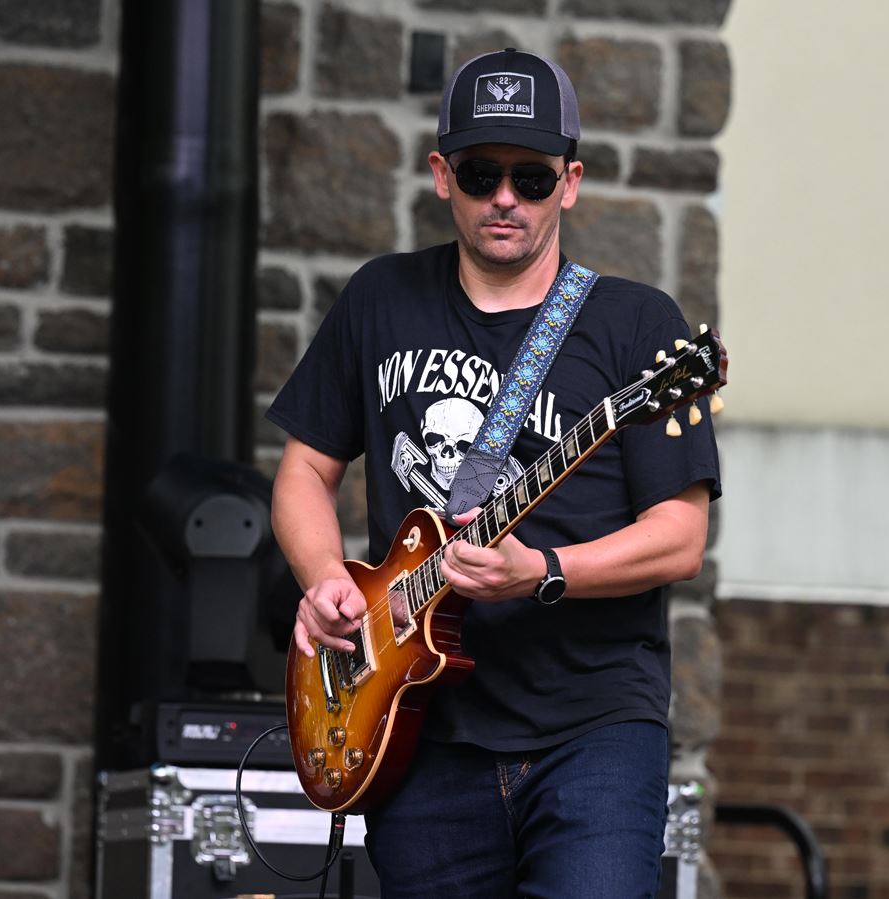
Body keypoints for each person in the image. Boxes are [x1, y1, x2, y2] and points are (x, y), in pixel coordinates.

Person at [266, 47, 721, 898]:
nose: (505, 196)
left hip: (592, 732)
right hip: (417, 727)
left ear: (571, 181)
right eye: (480, 173)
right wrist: (327, 578)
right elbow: (302, 469)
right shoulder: (380, 298)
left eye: (532, 177)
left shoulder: (637, 328)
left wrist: (539, 573)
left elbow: (679, 539)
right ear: (442, 175)